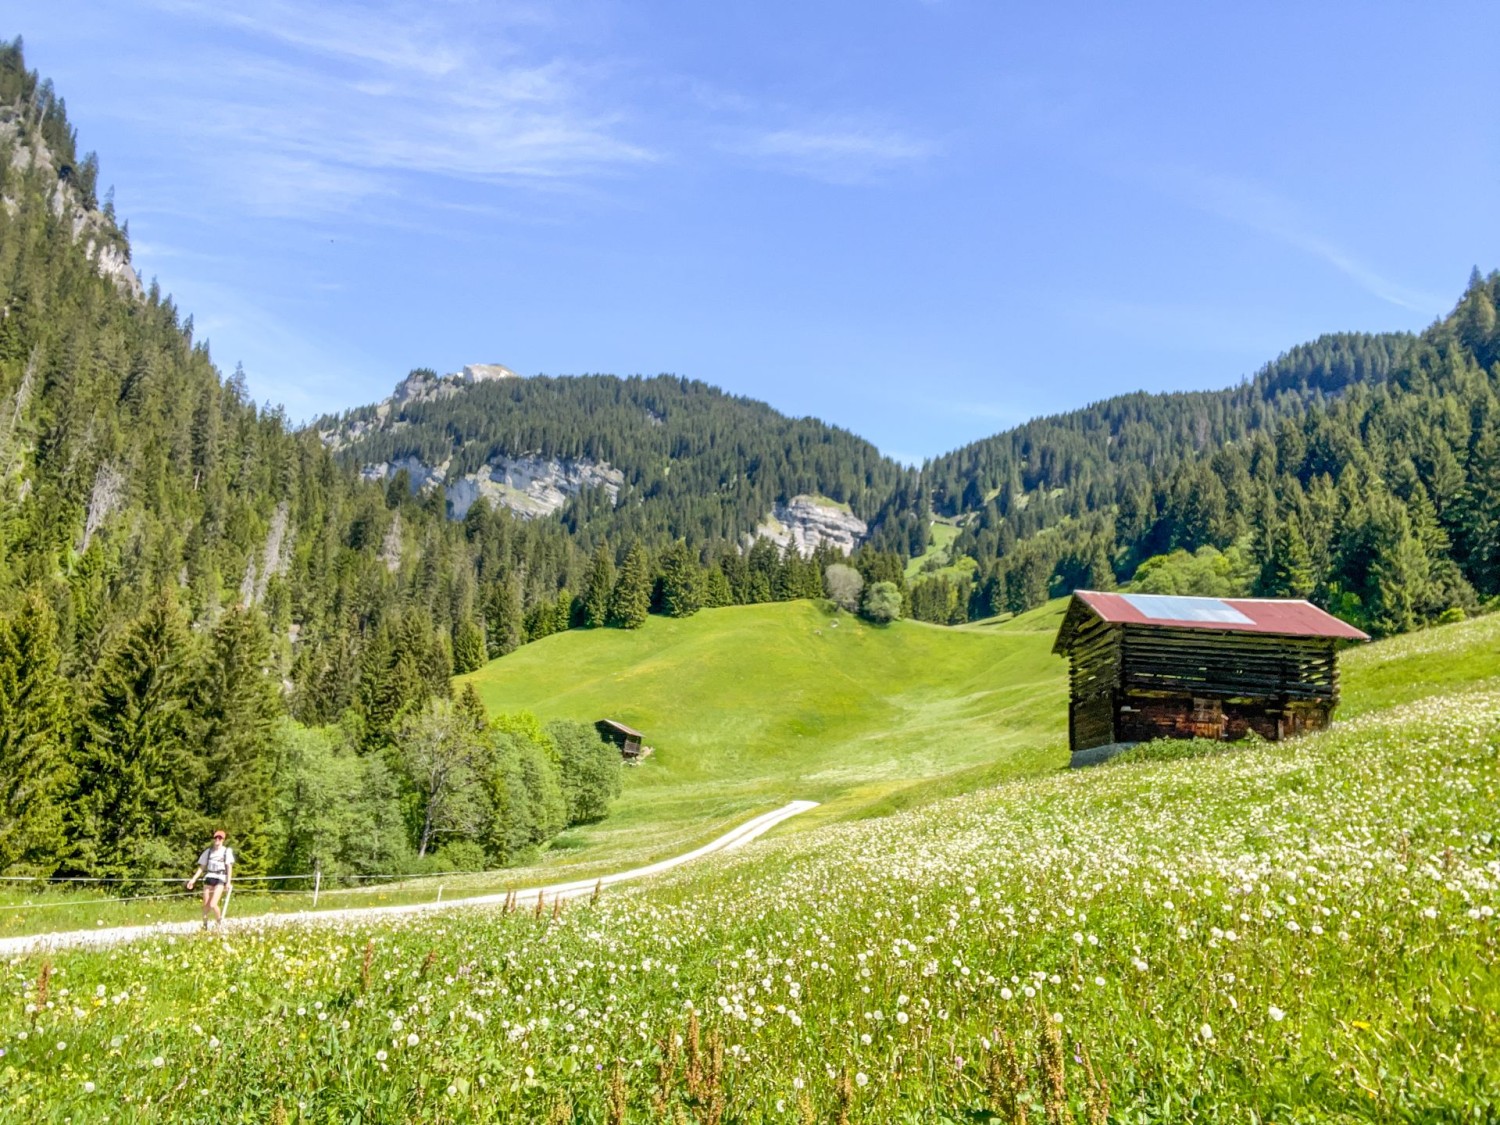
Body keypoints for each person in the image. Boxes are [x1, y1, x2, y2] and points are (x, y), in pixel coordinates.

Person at [186, 830, 234, 929]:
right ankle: (205, 925)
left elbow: (229, 867)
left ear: (223, 840)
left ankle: (219, 921)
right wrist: (193, 880)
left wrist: (228, 882)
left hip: (220, 878)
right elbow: (201, 867)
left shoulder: (226, 851)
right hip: (209, 877)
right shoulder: (208, 852)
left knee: (213, 904)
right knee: (206, 905)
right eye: (216, 837)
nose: (217, 840)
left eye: (220, 838)